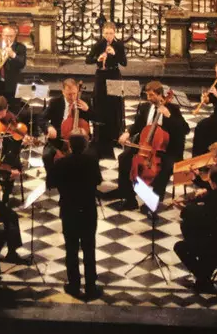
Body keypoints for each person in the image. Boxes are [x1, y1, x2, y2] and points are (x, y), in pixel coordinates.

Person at [106, 80, 189, 211]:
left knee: (164, 169)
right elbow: (138, 125)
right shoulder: (145, 107)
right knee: (124, 158)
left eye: (152, 95)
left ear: (160, 94)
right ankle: (129, 198)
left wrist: (169, 116)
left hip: (167, 149)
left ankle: (152, 202)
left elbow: (185, 129)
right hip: (145, 145)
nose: (149, 98)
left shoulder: (172, 109)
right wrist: (127, 133)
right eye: (147, 95)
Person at [49, 134, 103, 301]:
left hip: (69, 209)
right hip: (88, 210)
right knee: (89, 248)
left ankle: (74, 285)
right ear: (85, 146)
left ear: (70, 146)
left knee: (71, 249)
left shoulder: (61, 163)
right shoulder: (91, 161)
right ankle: (91, 286)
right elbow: (98, 181)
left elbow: (50, 183)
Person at [174, 166, 217, 292]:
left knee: (180, 246)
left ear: (213, 183)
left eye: (209, 180)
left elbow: (204, 215)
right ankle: (204, 276)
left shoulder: (215, 198)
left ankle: (203, 278)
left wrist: (183, 209)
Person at [40, 78, 97, 186]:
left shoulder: (84, 101)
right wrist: (49, 127)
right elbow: (41, 118)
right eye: (69, 94)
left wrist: (88, 110)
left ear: (78, 91)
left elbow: (98, 119)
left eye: (74, 94)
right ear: (63, 92)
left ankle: (86, 183)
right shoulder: (55, 102)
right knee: (47, 156)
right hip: (59, 140)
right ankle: (53, 181)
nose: (72, 97)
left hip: (81, 143)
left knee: (93, 156)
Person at [86, 22, 127, 159]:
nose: (108, 36)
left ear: (115, 33)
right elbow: (88, 60)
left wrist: (114, 53)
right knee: (100, 104)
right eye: (106, 33)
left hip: (114, 74)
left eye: (111, 33)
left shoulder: (119, 45)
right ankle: (100, 136)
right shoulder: (98, 44)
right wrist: (97, 58)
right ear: (102, 33)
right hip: (101, 76)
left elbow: (124, 63)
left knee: (115, 105)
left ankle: (116, 136)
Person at [0, 25, 27, 109]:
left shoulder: (21, 47)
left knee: (14, 108)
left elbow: (22, 64)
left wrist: (13, 55)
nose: (9, 38)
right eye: (6, 36)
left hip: (13, 85)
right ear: (2, 35)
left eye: (11, 36)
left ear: (15, 36)